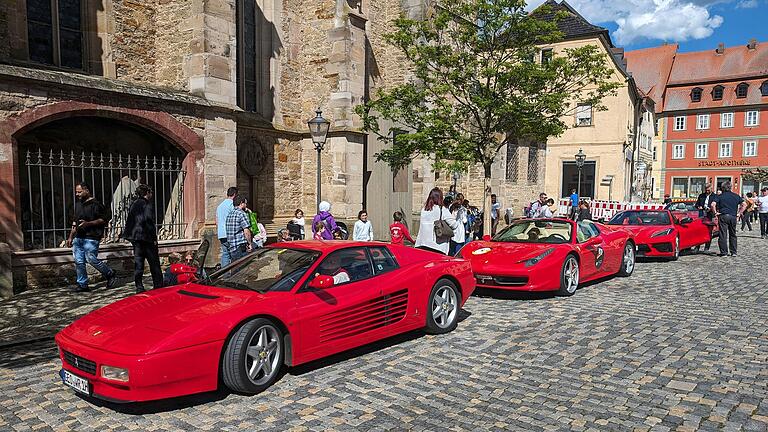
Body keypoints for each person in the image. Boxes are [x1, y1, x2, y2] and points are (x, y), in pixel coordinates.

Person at [66, 182, 117, 293]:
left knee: (91, 259)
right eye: (76, 192)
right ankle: (82, 284)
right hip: (78, 238)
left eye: (79, 192)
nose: (77, 194)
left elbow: (103, 220)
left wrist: (88, 224)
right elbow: (75, 222)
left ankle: (110, 273)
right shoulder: (78, 205)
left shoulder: (96, 205)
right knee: (79, 261)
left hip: (91, 237)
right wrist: (70, 237)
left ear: (87, 190)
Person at [122, 184, 163, 293]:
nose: (152, 194)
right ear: (147, 193)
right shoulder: (147, 205)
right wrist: (154, 239)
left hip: (136, 239)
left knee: (138, 263)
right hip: (146, 238)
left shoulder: (134, 204)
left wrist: (131, 237)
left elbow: (130, 222)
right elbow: (149, 222)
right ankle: (158, 285)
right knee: (154, 264)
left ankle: (139, 287)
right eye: (150, 192)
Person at [415, 187, 459, 254]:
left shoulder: (424, 210)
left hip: (422, 244)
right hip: (437, 247)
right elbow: (454, 225)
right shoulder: (442, 210)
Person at [710, 181, 746, 257]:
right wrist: (739, 213)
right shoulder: (736, 196)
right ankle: (733, 252)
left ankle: (724, 252)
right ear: (730, 187)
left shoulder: (719, 196)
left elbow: (713, 205)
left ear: (723, 188)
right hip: (733, 216)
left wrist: (715, 212)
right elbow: (744, 204)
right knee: (733, 234)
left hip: (723, 216)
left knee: (723, 234)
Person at [225, 195, 253, 261]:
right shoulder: (241, 214)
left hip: (232, 246)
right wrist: (250, 244)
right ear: (241, 203)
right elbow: (246, 231)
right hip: (240, 246)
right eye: (245, 203)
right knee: (243, 268)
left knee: (235, 269)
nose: (246, 205)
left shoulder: (229, 214)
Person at [215, 187, 237, 268]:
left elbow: (216, 221)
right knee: (235, 254)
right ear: (234, 194)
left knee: (225, 254)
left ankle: (225, 274)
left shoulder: (220, 206)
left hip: (221, 233)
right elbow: (235, 218)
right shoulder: (231, 204)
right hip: (230, 233)